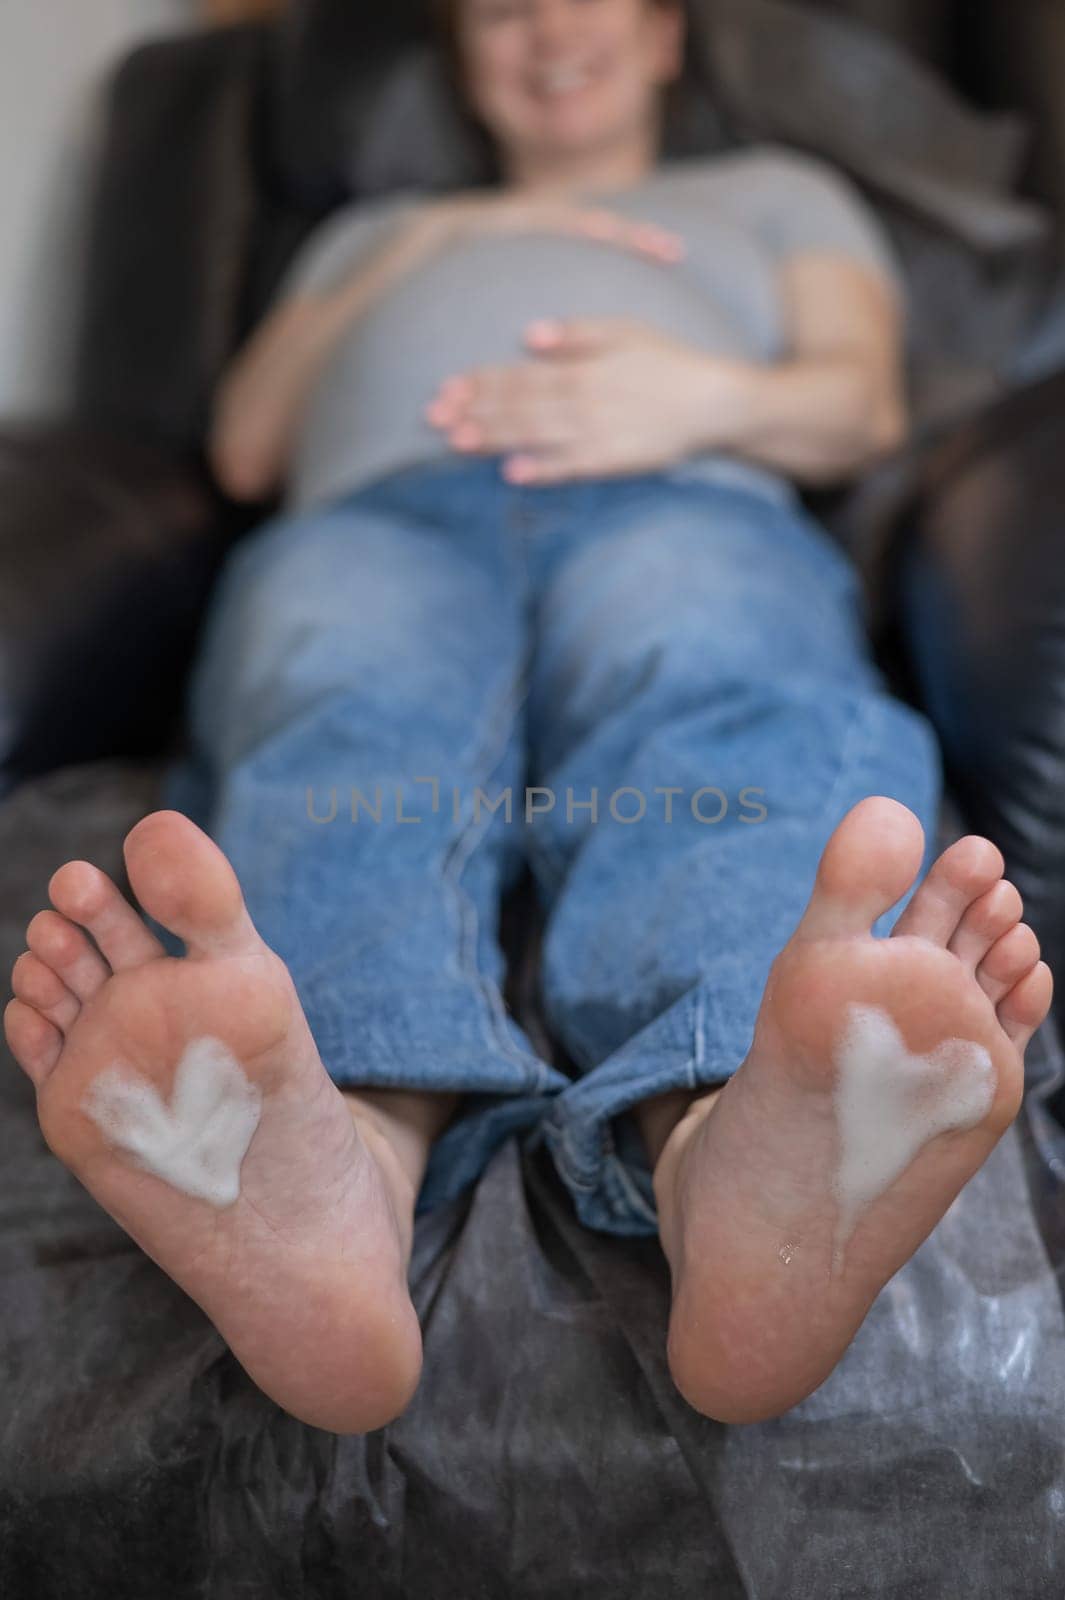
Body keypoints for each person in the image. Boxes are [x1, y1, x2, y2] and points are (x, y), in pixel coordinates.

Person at [3, 0, 1052, 1435]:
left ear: (665, 35)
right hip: (386, 518)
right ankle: (339, 1165)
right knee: (344, 697)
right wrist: (427, 243)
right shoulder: (371, 232)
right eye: (504, 8)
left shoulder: (769, 195)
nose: (551, 31)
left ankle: (735, 1147)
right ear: (460, 54)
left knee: (713, 675)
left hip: (676, 492)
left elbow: (857, 403)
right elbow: (247, 442)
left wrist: (690, 399)